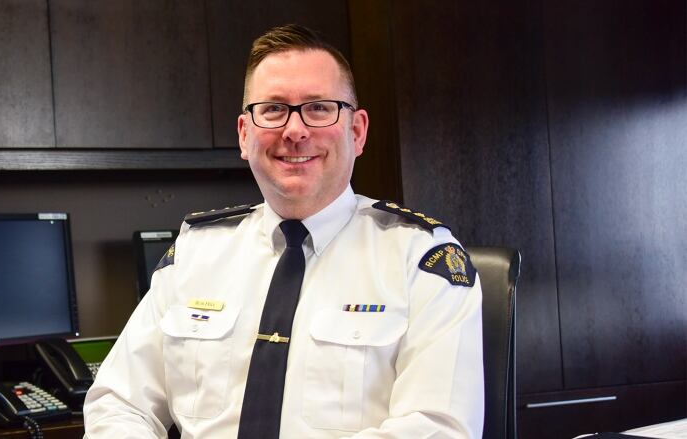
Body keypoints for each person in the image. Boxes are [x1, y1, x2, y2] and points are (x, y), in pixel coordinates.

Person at [84, 24, 484, 438]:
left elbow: (437, 429)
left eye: (319, 107)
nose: (295, 130)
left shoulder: (420, 259)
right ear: (244, 135)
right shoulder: (195, 254)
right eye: (273, 109)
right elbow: (118, 402)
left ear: (357, 131)